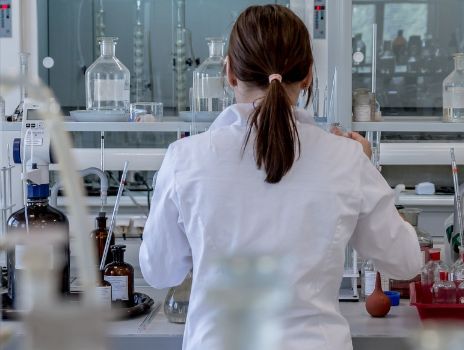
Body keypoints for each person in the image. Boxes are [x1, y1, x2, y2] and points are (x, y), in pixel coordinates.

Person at [139, 5, 423, 350]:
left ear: (229, 73)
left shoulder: (185, 158)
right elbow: (406, 262)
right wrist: (367, 167)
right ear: (307, 76)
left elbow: (159, 272)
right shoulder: (346, 159)